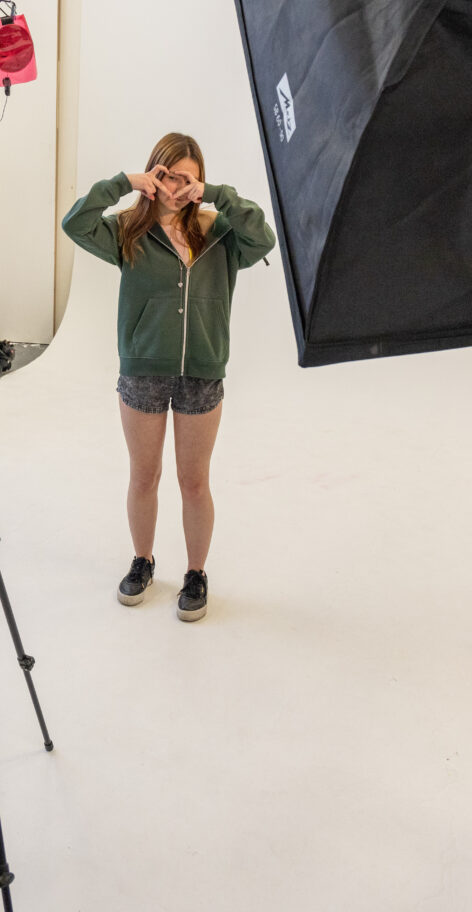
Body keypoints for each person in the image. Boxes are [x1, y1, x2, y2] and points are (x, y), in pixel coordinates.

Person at [62, 133, 276, 620]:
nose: (178, 188)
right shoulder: (127, 231)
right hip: (143, 369)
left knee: (194, 481)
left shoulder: (220, 232)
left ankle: (196, 573)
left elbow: (263, 237)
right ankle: (142, 561)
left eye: (189, 179)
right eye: (169, 176)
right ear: (153, 176)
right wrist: (124, 183)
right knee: (144, 476)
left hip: (202, 371)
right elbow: (75, 223)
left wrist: (216, 195)